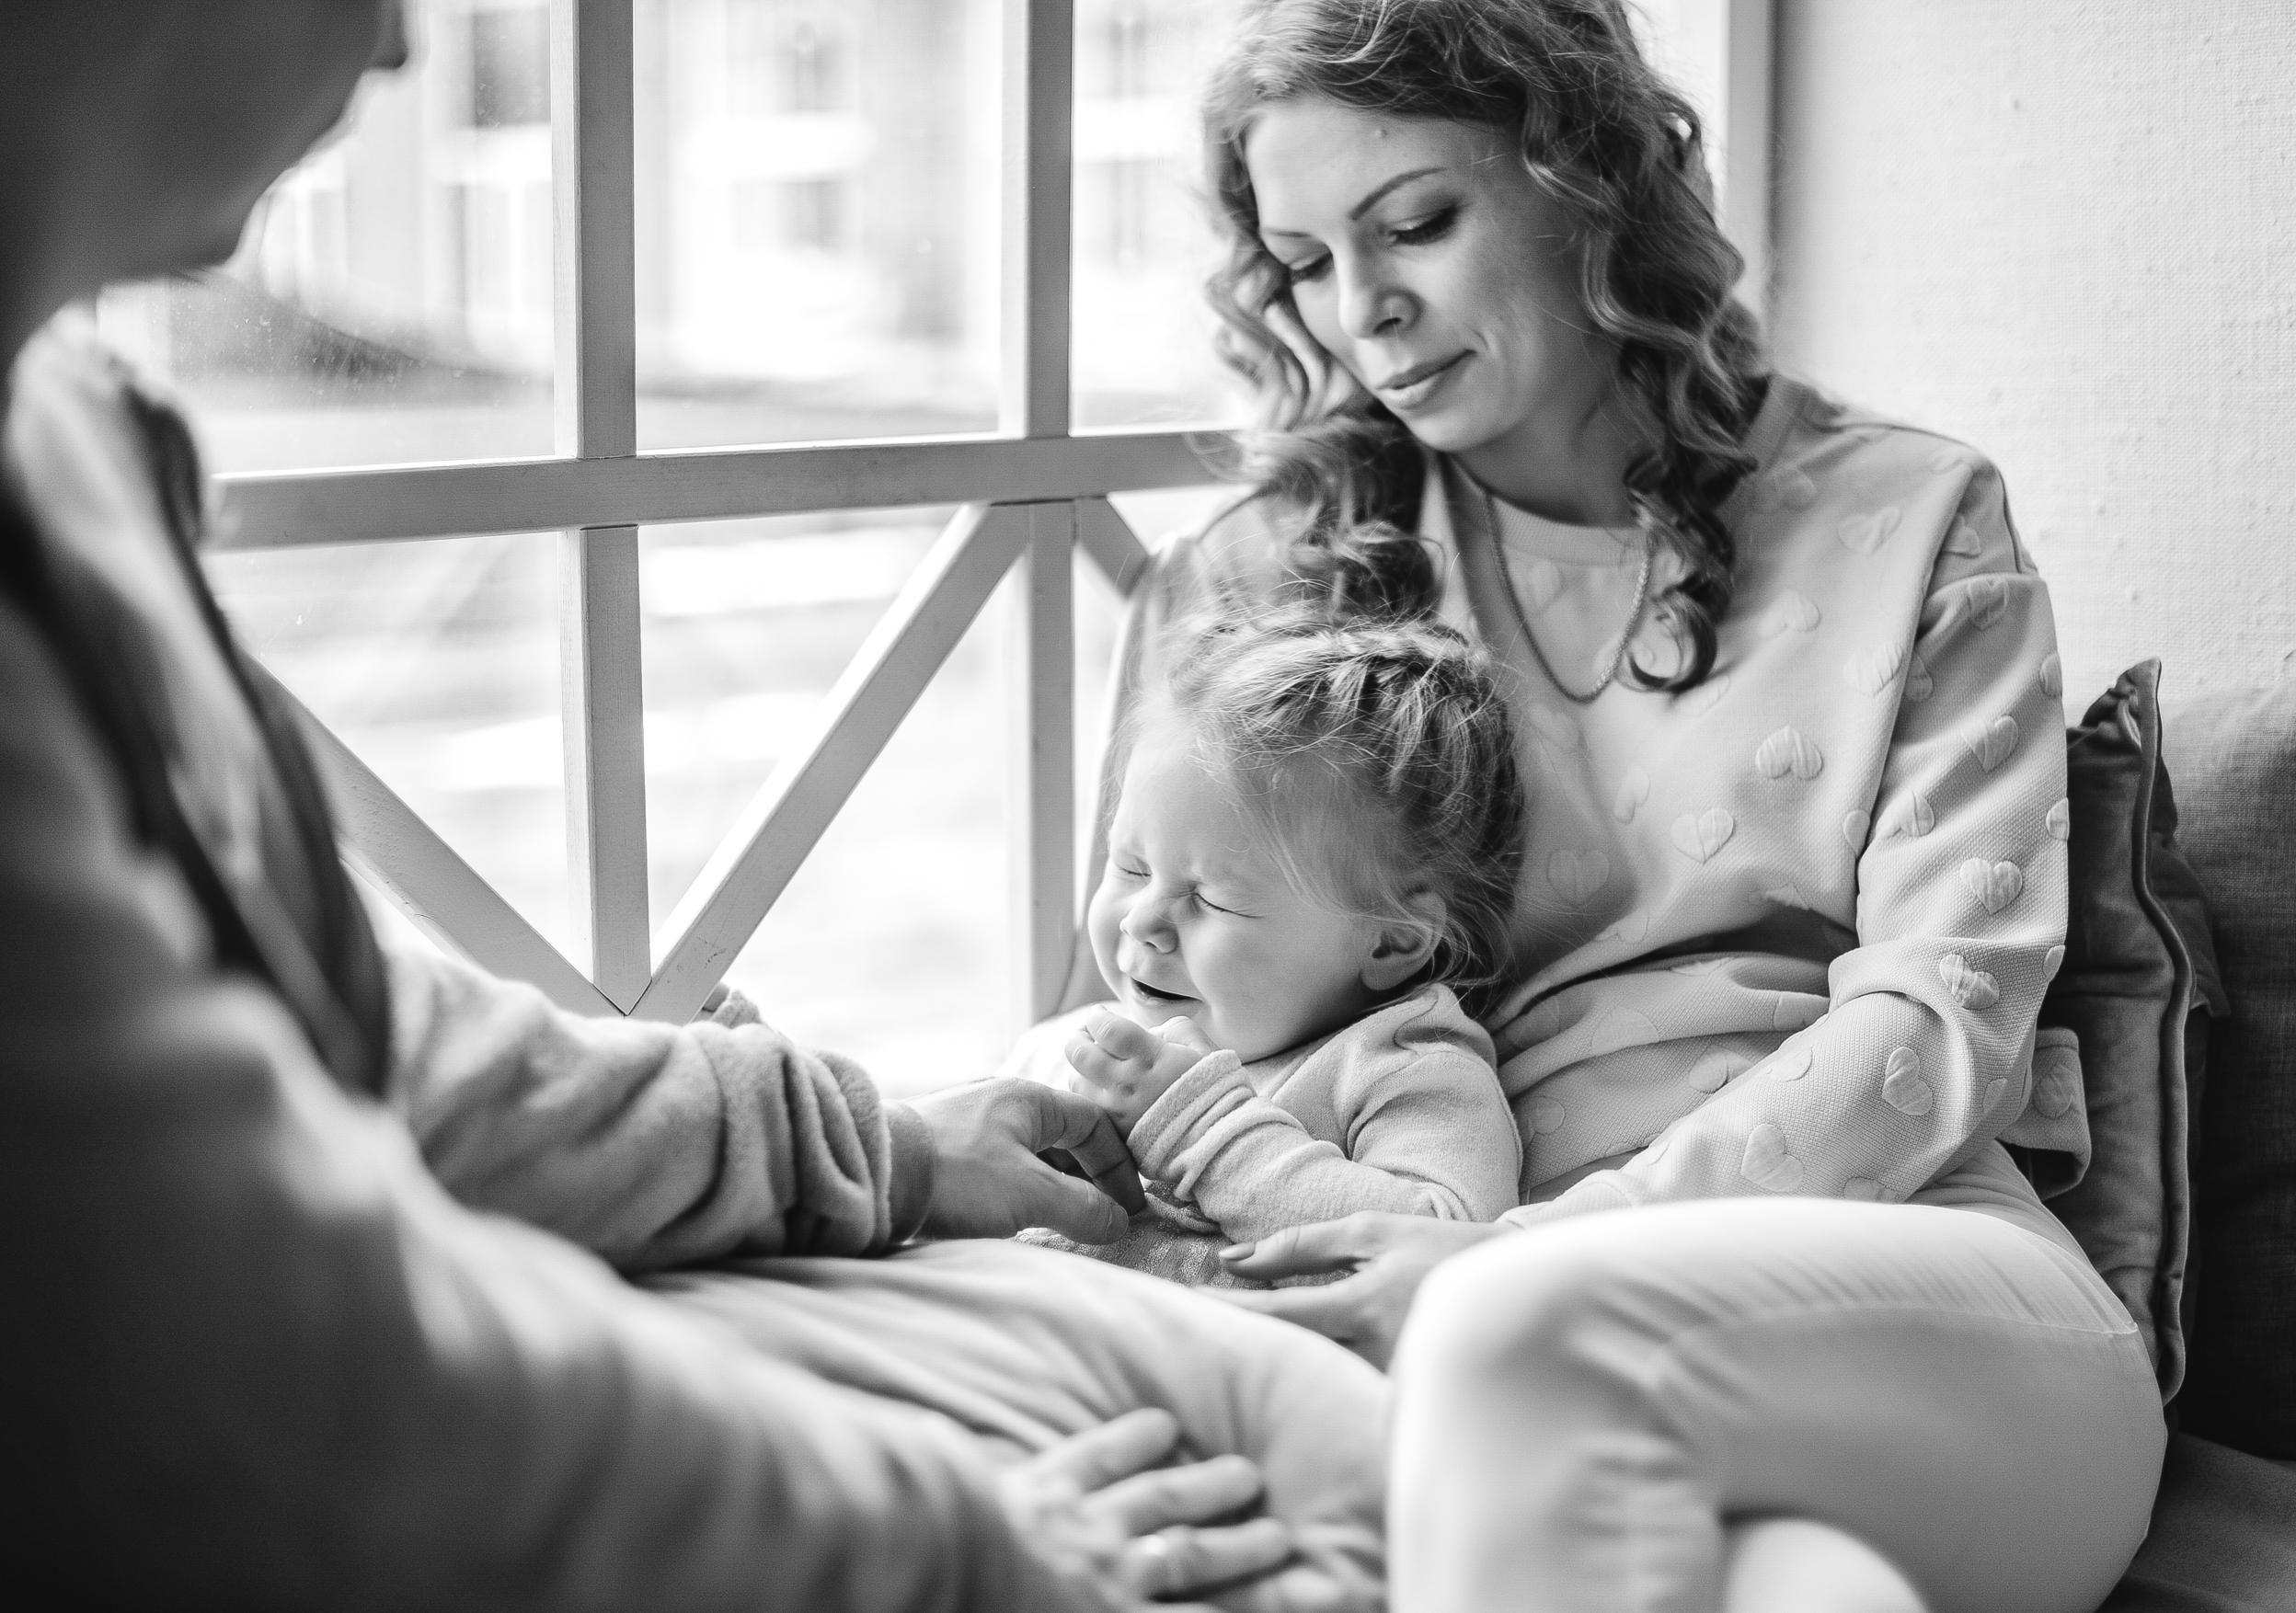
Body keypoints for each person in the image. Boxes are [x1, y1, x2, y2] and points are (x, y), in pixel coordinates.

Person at [0, 4, 1374, 1607]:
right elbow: (271, 1367)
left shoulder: (68, 427)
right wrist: (969, 1550)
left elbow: (361, 1045)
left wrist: (873, 1145)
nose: (394, 50)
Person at [1062, 0, 2167, 1607]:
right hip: (1486, 1365)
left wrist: (1521, 1250)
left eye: (1417, 223)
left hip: (1929, 1301)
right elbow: (1125, 1023)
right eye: (1303, 260)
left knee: (1528, 1328)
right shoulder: (1251, 583)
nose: (1362, 309)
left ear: (1585, 176)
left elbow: (1946, 1011)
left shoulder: (1911, 515)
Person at [1007, 524, 1524, 1285]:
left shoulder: (1398, 1066)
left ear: (1389, 943)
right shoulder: (1063, 1047)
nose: (1142, 921)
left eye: (1210, 900)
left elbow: (1447, 1254)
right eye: (1130, 866)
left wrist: (1205, 1130)